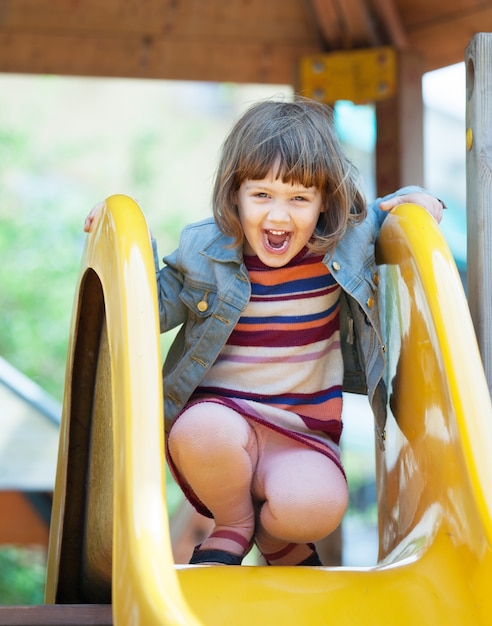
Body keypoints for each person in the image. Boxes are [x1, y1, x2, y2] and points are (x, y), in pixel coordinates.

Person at [84, 97, 444, 567]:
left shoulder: (347, 243)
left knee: (318, 508)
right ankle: (233, 523)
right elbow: (144, 308)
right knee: (201, 430)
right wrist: (121, 243)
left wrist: (423, 199)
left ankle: (276, 538)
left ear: (325, 202)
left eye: (299, 198)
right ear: (235, 193)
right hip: (222, 424)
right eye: (262, 195)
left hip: (300, 436)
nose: (278, 217)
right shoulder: (207, 252)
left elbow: (393, 209)